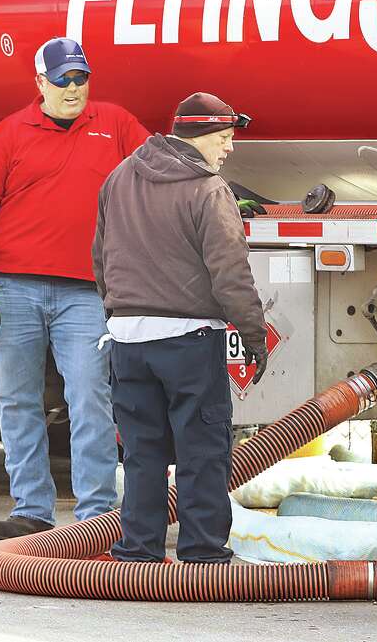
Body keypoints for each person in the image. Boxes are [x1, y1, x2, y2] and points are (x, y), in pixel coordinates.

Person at [0, 37, 149, 541]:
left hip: (85, 292)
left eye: (80, 78)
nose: (73, 88)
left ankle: (97, 517)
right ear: (40, 82)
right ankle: (31, 509)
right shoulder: (9, 133)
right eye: (62, 79)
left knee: (90, 397)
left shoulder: (115, 124)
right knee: (15, 399)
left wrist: (210, 189)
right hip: (12, 289)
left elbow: (159, 169)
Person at [93, 92, 266, 563]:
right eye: (224, 138)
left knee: (142, 452)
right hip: (189, 340)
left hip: (128, 341)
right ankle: (202, 552)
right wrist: (253, 335)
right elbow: (231, 273)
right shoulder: (208, 189)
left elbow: (100, 257)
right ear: (201, 135)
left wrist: (119, 314)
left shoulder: (119, 177)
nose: (229, 148)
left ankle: (138, 551)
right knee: (201, 450)